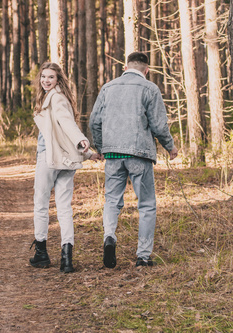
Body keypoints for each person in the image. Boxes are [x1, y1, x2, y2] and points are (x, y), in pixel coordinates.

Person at [89, 52, 178, 268]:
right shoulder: (150, 88)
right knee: (146, 204)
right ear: (146, 70)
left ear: (126, 67)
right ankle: (143, 256)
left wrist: (101, 148)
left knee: (112, 200)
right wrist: (170, 146)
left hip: (113, 155)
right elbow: (158, 124)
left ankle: (109, 236)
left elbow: (94, 122)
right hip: (139, 153)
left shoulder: (108, 88)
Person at [30, 62, 100, 273]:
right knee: (64, 207)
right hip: (66, 161)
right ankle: (66, 258)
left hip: (50, 158)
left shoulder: (55, 99)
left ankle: (41, 253)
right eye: (43, 77)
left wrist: (81, 140)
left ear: (58, 80)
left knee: (41, 204)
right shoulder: (57, 97)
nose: (46, 81)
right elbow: (65, 131)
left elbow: (68, 125)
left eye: (51, 77)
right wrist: (87, 153)